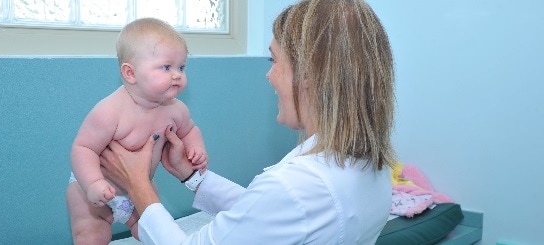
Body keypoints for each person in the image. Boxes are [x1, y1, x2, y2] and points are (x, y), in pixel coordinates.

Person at [100, 0, 396, 244]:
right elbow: (265, 215)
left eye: (274, 61)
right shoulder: (372, 169)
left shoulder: (296, 186)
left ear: (309, 74)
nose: (269, 75)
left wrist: (138, 185)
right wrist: (192, 176)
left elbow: (277, 206)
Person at [66, 17, 208, 244]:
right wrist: (92, 183)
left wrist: (196, 148)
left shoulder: (176, 110)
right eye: (166, 67)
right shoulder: (110, 111)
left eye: (181, 67)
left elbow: (190, 130)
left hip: (141, 189)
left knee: (154, 229)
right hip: (93, 193)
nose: (177, 74)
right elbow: (83, 148)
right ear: (130, 73)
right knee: (91, 234)